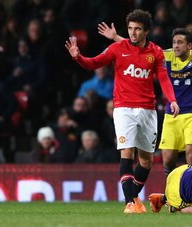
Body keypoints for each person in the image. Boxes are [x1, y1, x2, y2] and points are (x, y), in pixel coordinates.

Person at [98, 19, 192, 175]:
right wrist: (115, 37)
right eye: (174, 42)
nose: (176, 45)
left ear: (189, 46)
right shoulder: (166, 56)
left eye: (180, 42)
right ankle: (172, 191)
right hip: (173, 113)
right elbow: (139, 47)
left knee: (191, 154)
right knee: (168, 159)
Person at [65, 9, 179, 214]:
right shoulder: (117, 48)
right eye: (130, 28)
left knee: (146, 160)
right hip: (124, 108)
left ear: (146, 31)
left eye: (137, 29)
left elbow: (163, 78)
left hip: (148, 110)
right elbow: (93, 63)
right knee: (127, 152)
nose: (133, 33)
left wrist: (172, 100)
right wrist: (78, 57)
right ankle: (130, 203)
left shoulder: (156, 52)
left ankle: (137, 199)